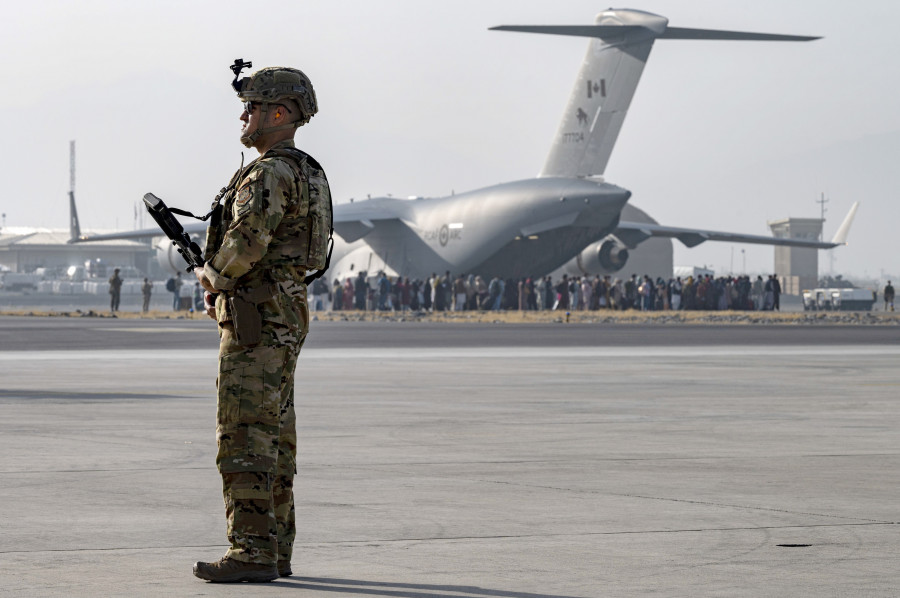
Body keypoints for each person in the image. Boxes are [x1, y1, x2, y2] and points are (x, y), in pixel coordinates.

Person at [192, 63, 332, 583]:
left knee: (245, 433)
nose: (244, 116)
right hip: (284, 309)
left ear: (281, 113)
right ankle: (276, 547)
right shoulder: (308, 170)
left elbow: (246, 243)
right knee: (275, 435)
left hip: (257, 316)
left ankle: (252, 551)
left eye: (253, 107)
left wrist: (215, 279)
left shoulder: (271, 172)